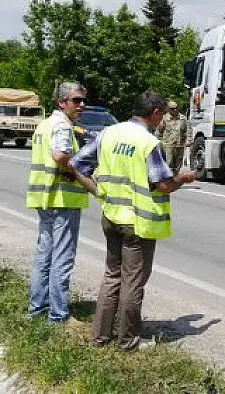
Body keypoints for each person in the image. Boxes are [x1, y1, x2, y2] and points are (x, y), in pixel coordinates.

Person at [70, 91, 196, 351]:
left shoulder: (109, 133)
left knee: (112, 276)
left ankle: (100, 337)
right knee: (132, 281)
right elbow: (162, 184)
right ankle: (128, 341)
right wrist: (182, 179)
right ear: (156, 113)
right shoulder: (148, 142)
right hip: (137, 221)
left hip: (111, 215)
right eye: (161, 115)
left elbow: (76, 164)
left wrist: (97, 191)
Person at [26, 81, 90, 323]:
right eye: (76, 100)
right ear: (61, 103)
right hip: (62, 198)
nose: (82, 105)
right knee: (62, 256)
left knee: (44, 254)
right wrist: (80, 172)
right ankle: (58, 315)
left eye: (83, 100)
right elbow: (60, 155)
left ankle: (37, 309)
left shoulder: (45, 124)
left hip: (44, 196)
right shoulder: (63, 125)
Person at [155, 100, 188, 170]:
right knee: (168, 164)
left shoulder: (183, 119)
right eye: (172, 109)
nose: (175, 110)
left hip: (180, 145)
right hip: (168, 146)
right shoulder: (164, 119)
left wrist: (188, 141)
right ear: (168, 109)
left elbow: (187, 130)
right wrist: (159, 144)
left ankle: (175, 178)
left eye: (176, 108)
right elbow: (158, 132)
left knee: (178, 165)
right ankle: (168, 179)